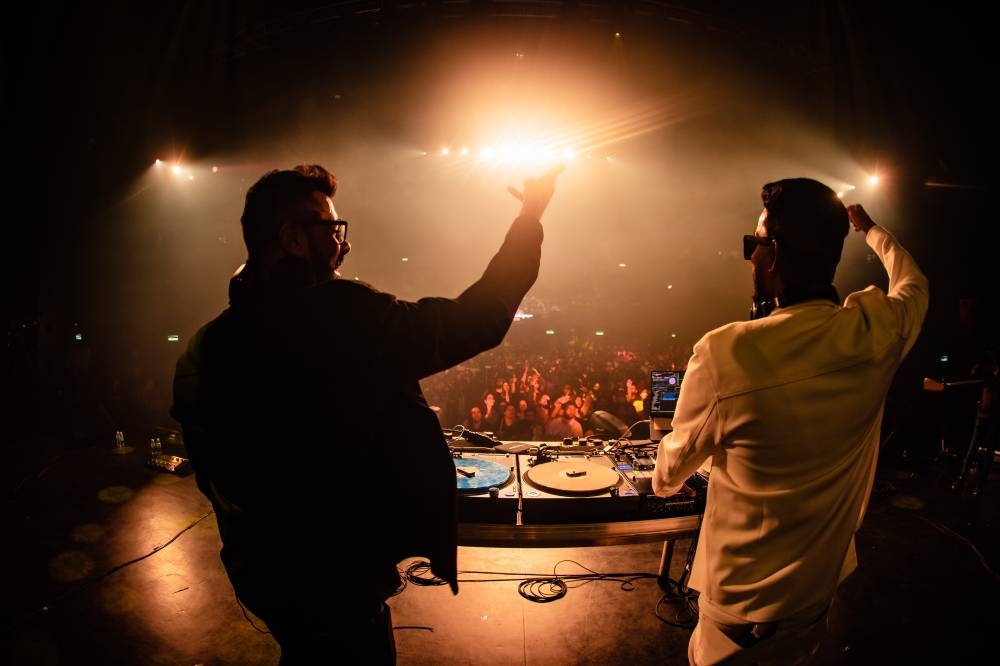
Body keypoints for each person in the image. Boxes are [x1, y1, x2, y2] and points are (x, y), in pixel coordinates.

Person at [171, 162, 563, 664]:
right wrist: (530, 215)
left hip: (261, 571)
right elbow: (479, 318)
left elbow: (213, 466)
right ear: (293, 238)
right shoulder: (342, 315)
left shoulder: (209, 343)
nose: (342, 241)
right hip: (337, 578)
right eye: (331, 227)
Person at [652, 178, 928, 665]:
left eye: (753, 245)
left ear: (774, 253)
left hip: (737, 619)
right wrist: (871, 230)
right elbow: (913, 282)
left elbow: (667, 479)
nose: (750, 258)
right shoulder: (877, 332)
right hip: (816, 603)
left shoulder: (726, 351)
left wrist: (691, 454)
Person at [953, 350, 999, 496]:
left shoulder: (994, 372)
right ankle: (961, 480)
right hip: (983, 413)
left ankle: (979, 485)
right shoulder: (988, 369)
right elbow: (974, 372)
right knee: (972, 449)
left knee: (987, 453)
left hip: (995, 416)